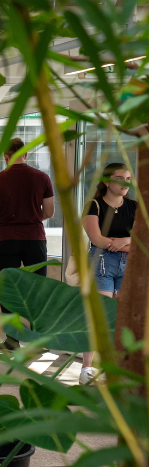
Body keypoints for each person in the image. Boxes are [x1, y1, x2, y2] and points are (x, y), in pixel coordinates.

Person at [0, 137, 55, 351]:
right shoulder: (42, 178)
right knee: (37, 289)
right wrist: (30, 218)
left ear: (5, 156)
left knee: (9, 290)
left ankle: (12, 341)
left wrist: (1, 220)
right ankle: (38, 339)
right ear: (26, 154)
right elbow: (49, 212)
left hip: (6, 239)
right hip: (35, 238)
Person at [80, 163, 137, 383]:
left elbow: (143, 240)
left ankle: (115, 368)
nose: (125, 183)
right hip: (100, 264)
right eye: (119, 177)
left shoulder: (134, 206)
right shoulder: (93, 205)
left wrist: (121, 241)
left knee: (121, 319)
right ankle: (87, 369)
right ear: (106, 181)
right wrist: (126, 242)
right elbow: (97, 240)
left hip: (129, 267)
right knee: (99, 316)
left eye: (128, 178)